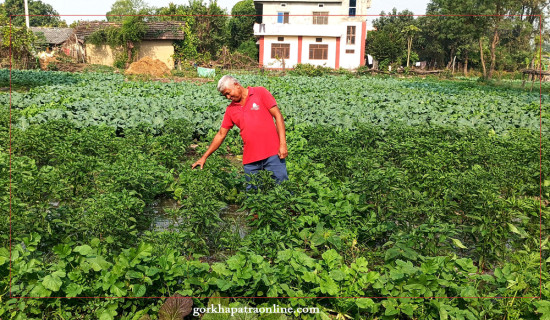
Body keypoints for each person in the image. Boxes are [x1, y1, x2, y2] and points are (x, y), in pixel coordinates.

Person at [192, 75, 288, 189]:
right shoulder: (230, 110)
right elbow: (221, 134)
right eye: (225, 95)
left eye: (228, 93)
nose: (228, 97)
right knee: (253, 196)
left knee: (282, 189)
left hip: (273, 154)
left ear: (236, 85)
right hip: (251, 159)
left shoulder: (260, 92)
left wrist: (283, 144)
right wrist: (204, 156)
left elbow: (278, 116)